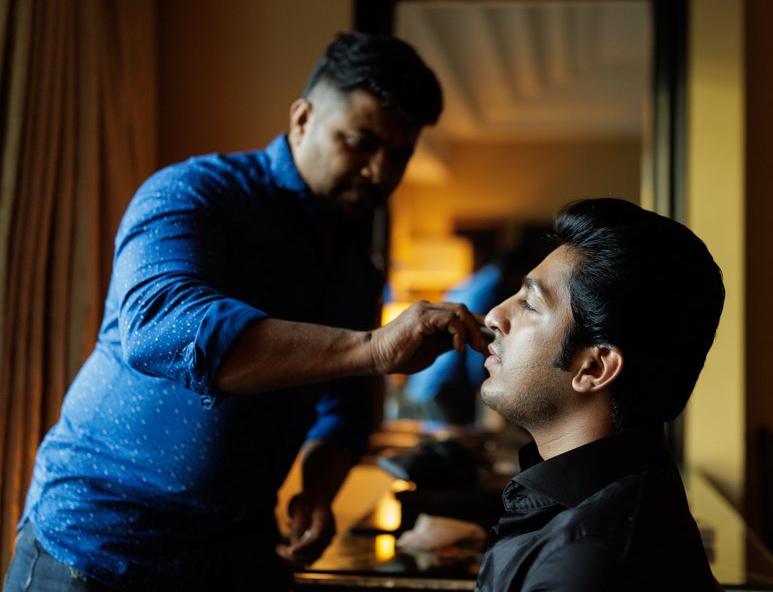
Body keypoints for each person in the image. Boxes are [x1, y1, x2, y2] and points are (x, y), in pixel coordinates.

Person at [4, 32, 488, 592]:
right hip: (97, 543)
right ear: (302, 120)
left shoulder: (358, 269)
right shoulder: (193, 193)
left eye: (398, 155)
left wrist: (318, 490)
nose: (380, 171)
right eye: (360, 142)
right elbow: (160, 326)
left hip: (233, 554)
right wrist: (373, 347)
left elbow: (345, 407)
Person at [474, 198, 726, 592]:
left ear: (594, 368)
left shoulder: (586, 563)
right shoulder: (626, 497)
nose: (493, 316)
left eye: (529, 304)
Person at [401, 239, 550, 425]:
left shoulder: (473, 282)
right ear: (519, 271)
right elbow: (477, 343)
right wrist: (487, 383)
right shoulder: (490, 291)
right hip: (445, 387)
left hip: (424, 382)